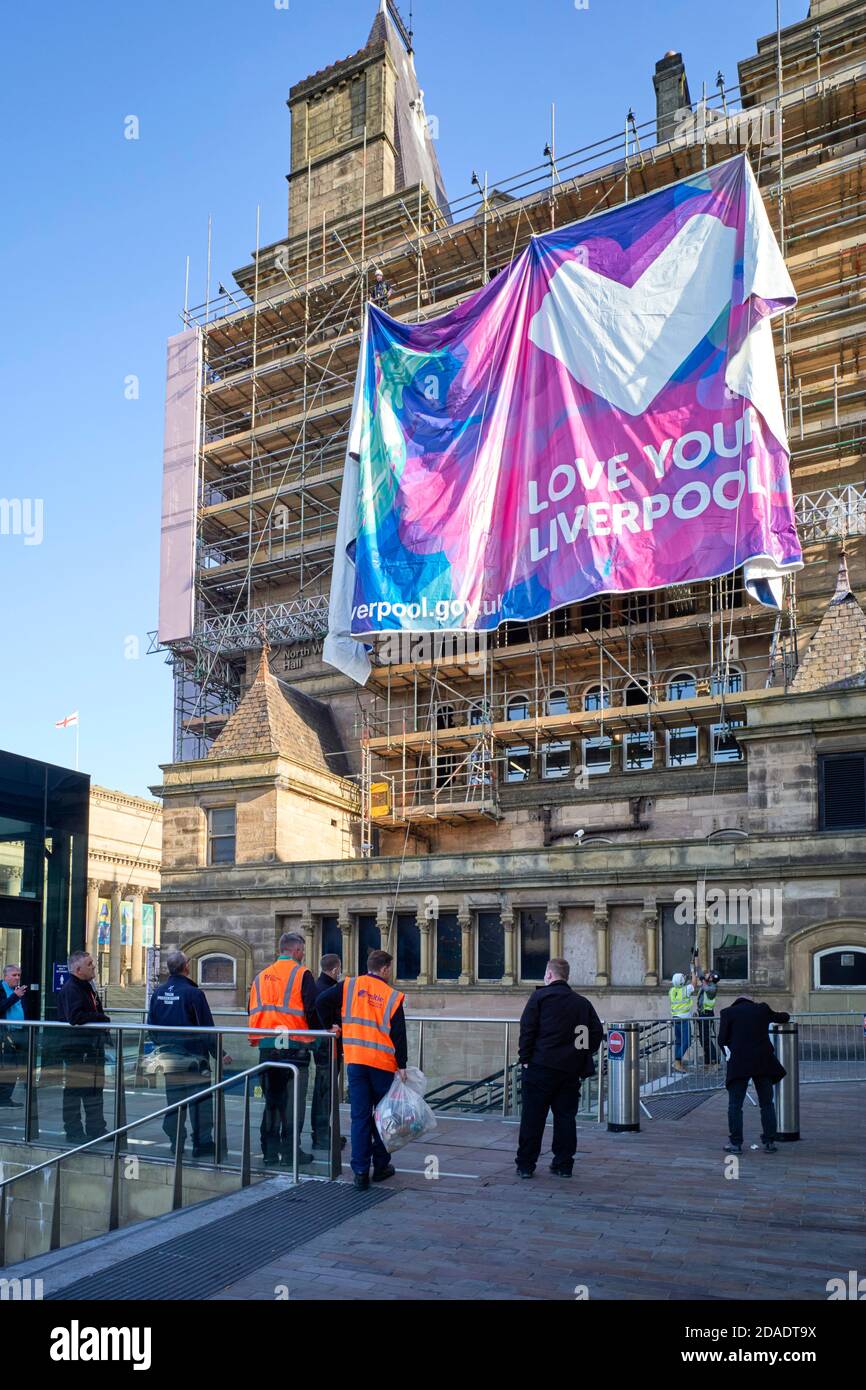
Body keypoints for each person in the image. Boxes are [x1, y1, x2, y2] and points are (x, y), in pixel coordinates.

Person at [316, 948, 407, 1191]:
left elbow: (321, 1000)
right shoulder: (392, 995)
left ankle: (359, 1172)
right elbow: (399, 1035)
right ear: (385, 969)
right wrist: (402, 1065)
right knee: (382, 1116)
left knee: (360, 1117)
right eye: (391, 968)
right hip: (382, 1064)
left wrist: (332, 1026)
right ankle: (381, 1166)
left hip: (355, 1060)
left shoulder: (349, 985)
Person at [515, 958, 604, 1179]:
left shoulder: (539, 998)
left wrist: (525, 1058)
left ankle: (526, 1165)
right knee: (565, 1118)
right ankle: (563, 1164)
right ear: (567, 976)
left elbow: (527, 1029)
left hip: (539, 1067)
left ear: (548, 975)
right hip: (569, 1070)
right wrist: (580, 1052)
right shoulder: (581, 1003)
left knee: (532, 1119)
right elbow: (594, 1032)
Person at [146, 950, 232, 1160]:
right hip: (195, 1058)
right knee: (200, 1101)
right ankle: (202, 1144)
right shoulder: (194, 993)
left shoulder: (159, 992)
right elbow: (206, 1028)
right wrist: (219, 1053)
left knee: (175, 1101)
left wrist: (165, 1047)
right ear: (187, 967)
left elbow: (152, 1027)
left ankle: (176, 1142)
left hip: (169, 1058)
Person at [249, 931, 319, 1167]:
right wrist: (321, 1034)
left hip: (268, 1047)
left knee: (272, 1102)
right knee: (293, 1104)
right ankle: (290, 1152)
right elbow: (311, 1010)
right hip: (295, 1046)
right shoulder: (302, 974)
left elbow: (251, 1010)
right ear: (297, 950)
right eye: (302, 951)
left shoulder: (261, 976)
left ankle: (269, 1152)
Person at [718, 995, 790, 1154]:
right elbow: (784, 1017)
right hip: (762, 1061)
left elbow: (721, 1040)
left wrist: (728, 1053)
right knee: (766, 1103)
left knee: (735, 1105)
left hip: (739, 1063)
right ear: (750, 1001)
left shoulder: (728, 1013)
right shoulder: (762, 1009)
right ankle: (770, 1141)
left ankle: (735, 1143)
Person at [56, 950, 110, 1143]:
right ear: (78, 969)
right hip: (78, 1048)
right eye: (90, 964)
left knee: (94, 1089)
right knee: (75, 1089)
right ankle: (74, 1131)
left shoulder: (86, 986)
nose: (94, 967)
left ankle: (97, 1129)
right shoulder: (72, 988)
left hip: (91, 1047)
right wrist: (102, 1019)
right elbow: (75, 1017)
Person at [310, 953, 342, 1152]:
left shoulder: (316, 985)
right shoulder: (328, 989)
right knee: (324, 1090)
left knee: (324, 1089)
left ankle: (324, 1132)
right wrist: (328, 1028)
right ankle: (321, 1136)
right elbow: (320, 1007)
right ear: (336, 970)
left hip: (322, 1044)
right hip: (327, 1046)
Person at [0, 965, 28, 1107]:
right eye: (14, 975)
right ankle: (3, 1098)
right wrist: (14, 997)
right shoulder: (2, 990)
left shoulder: (19, 991)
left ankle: (5, 1097)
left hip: (19, 1033)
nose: (17, 978)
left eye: (18, 975)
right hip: (5, 1034)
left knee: (15, 1066)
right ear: (5, 976)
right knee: (6, 1066)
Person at [693, 965, 720, 1065]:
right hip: (702, 1014)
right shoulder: (707, 982)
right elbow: (699, 972)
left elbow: (707, 990)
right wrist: (695, 959)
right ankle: (708, 1061)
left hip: (707, 1014)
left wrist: (703, 980)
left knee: (706, 1038)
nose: (707, 974)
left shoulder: (713, 987)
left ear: (712, 977)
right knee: (702, 1039)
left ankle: (713, 1059)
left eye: (709, 974)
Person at [669, 970, 695, 1072]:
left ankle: (678, 1064)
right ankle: (677, 1060)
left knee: (679, 1042)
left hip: (675, 1018)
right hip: (684, 1019)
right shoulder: (685, 990)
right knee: (687, 1041)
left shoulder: (672, 991)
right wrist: (693, 973)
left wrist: (686, 977)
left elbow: (681, 984)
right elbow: (694, 984)